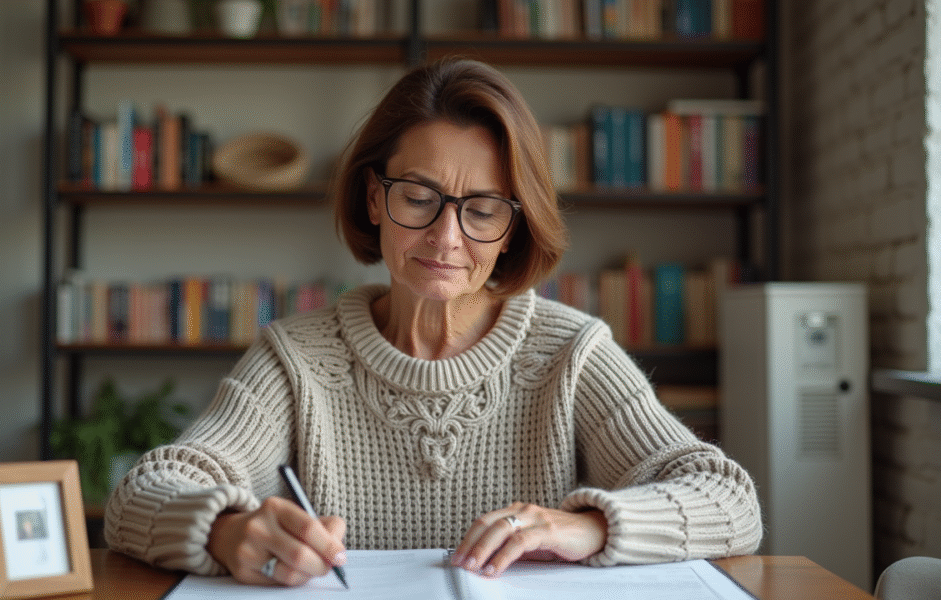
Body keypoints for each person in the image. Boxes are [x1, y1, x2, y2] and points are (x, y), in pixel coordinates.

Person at [104, 57, 762, 587]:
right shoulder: (295, 358)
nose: (446, 236)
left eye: (481, 210)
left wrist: (589, 526)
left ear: (513, 228)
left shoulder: (571, 353)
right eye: (419, 198)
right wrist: (225, 530)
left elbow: (730, 502)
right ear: (374, 198)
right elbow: (138, 497)